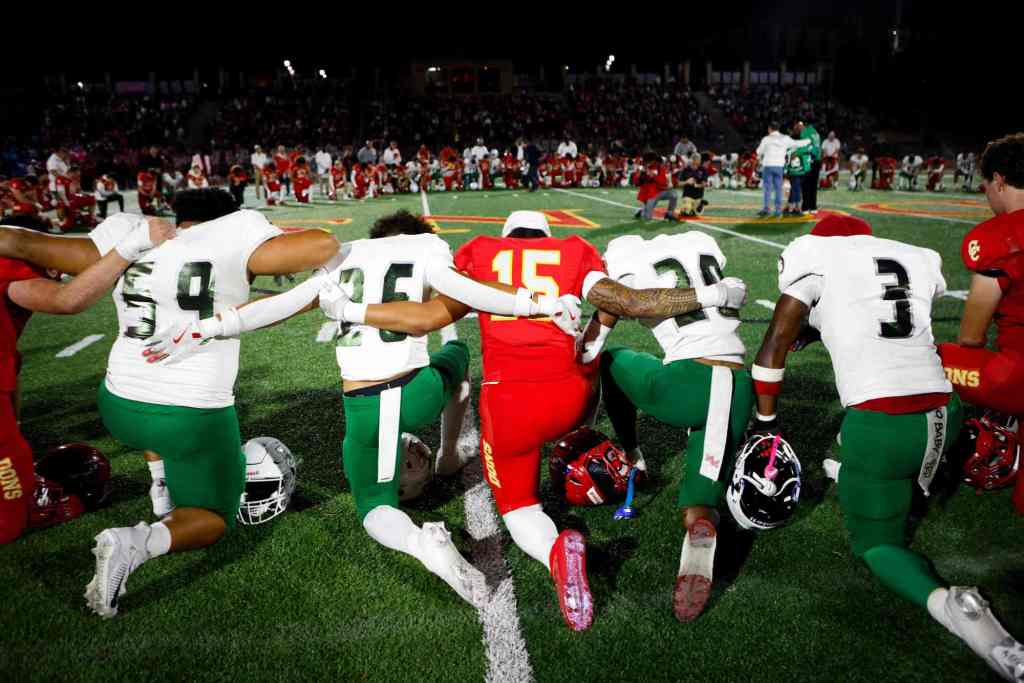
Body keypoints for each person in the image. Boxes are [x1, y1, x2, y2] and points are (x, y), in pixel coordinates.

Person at [144, 209, 582, 609]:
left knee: (374, 506)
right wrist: (539, 304)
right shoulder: (426, 247)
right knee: (458, 357)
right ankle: (448, 453)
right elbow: (465, 289)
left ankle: (417, 542)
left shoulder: (345, 255)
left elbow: (279, 306)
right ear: (417, 233)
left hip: (364, 406)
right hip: (417, 391)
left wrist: (208, 327)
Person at [4, 189, 340, 616]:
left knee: (161, 430)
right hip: (189, 414)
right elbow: (323, 245)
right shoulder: (235, 233)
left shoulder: (131, 232)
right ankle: (137, 542)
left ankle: (160, 486)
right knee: (213, 515)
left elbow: (18, 241)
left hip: (118, 403)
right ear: (227, 218)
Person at [753, 213, 1023, 682]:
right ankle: (862, 468)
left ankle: (950, 605)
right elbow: (881, 308)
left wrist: (766, 423)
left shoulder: (812, 255)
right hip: (943, 415)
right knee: (864, 453)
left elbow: (775, 341)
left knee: (878, 545)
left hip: (884, 427)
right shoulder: (913, 256)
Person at [452, 211, 746, 630]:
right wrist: (713, 294)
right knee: (593, 356)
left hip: (509, 400)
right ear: (547, 235)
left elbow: (441, 302)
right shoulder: (573, 250)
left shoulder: (479, 251)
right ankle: (584, 441)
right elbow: (624, 305)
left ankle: (555, 550)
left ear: (506, 235)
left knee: (518, 508)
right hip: (569, 396)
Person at [587, 231, 750, 622]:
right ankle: (700, 527)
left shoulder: (628, 257)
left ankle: (632, 455)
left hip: (687, 385)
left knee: (611, 361)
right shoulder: (699, 243)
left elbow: (597, 336)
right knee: (700, 503)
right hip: (737, 389)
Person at [0, 214, 176, 544]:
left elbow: (11, 374)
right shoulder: (11, 258)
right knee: (9, 521)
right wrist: (134, 243)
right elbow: (67, 299)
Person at [937, 133, 1024, 513]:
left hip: (1017, 376)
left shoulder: (997, 237)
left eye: (986, 186)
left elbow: (971, 337)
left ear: (1000, 181)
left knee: (921, 357)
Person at [756, 123, 810, 218]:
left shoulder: (766, 139)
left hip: (768, 166)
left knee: (767, 189)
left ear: (770, 129)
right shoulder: (785, 138)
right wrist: (809, 140)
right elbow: (797, 144)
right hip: (779, 167)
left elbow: (758, 151)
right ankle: (778, 211)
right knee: (778, 189)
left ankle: (766, 209)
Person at [635, 153, 679, 221]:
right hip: (650, 195)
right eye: (647, 162)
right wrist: (641, 174)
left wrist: (654, 177)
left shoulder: (660, 168)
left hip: (660, 192)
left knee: (674, 194)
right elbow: (637, 183)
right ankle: (641, 211)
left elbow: (663, 183)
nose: (649, 163)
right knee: (647, 218)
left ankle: (669, 213)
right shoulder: (643, 168)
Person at [793, 120, 822, 214]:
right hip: (817, 161)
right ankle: (813, 207)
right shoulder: (815, 133)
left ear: (803, 125)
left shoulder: (805, 133)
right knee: (813, 185)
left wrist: (795, 153)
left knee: (805, 185)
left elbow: (804, 147)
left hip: (808, 161)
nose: (798, 128)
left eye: (798, 126)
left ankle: (805, 207)